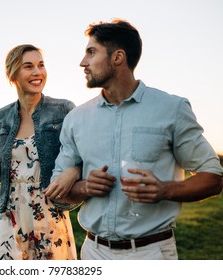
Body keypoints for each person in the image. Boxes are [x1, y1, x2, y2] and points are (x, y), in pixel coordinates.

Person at [44, 19, 223, 260]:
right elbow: (58, 191)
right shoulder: (76, 119)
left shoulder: (172, 108)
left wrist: (165, 190)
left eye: (91, 52)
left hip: (152, 254)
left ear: (118, 58)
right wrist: (85, 186)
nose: (82, 62)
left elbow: (212, 177)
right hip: (93, 253)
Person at [0, 44, 79, 260]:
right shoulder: (2, 117)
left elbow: (83, 158)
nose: (37, 72)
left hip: (48, 212)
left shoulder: (64, 110)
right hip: (10, 213)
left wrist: (74, 172)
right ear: (12, 74)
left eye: (41, 65)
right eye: (28, 66)